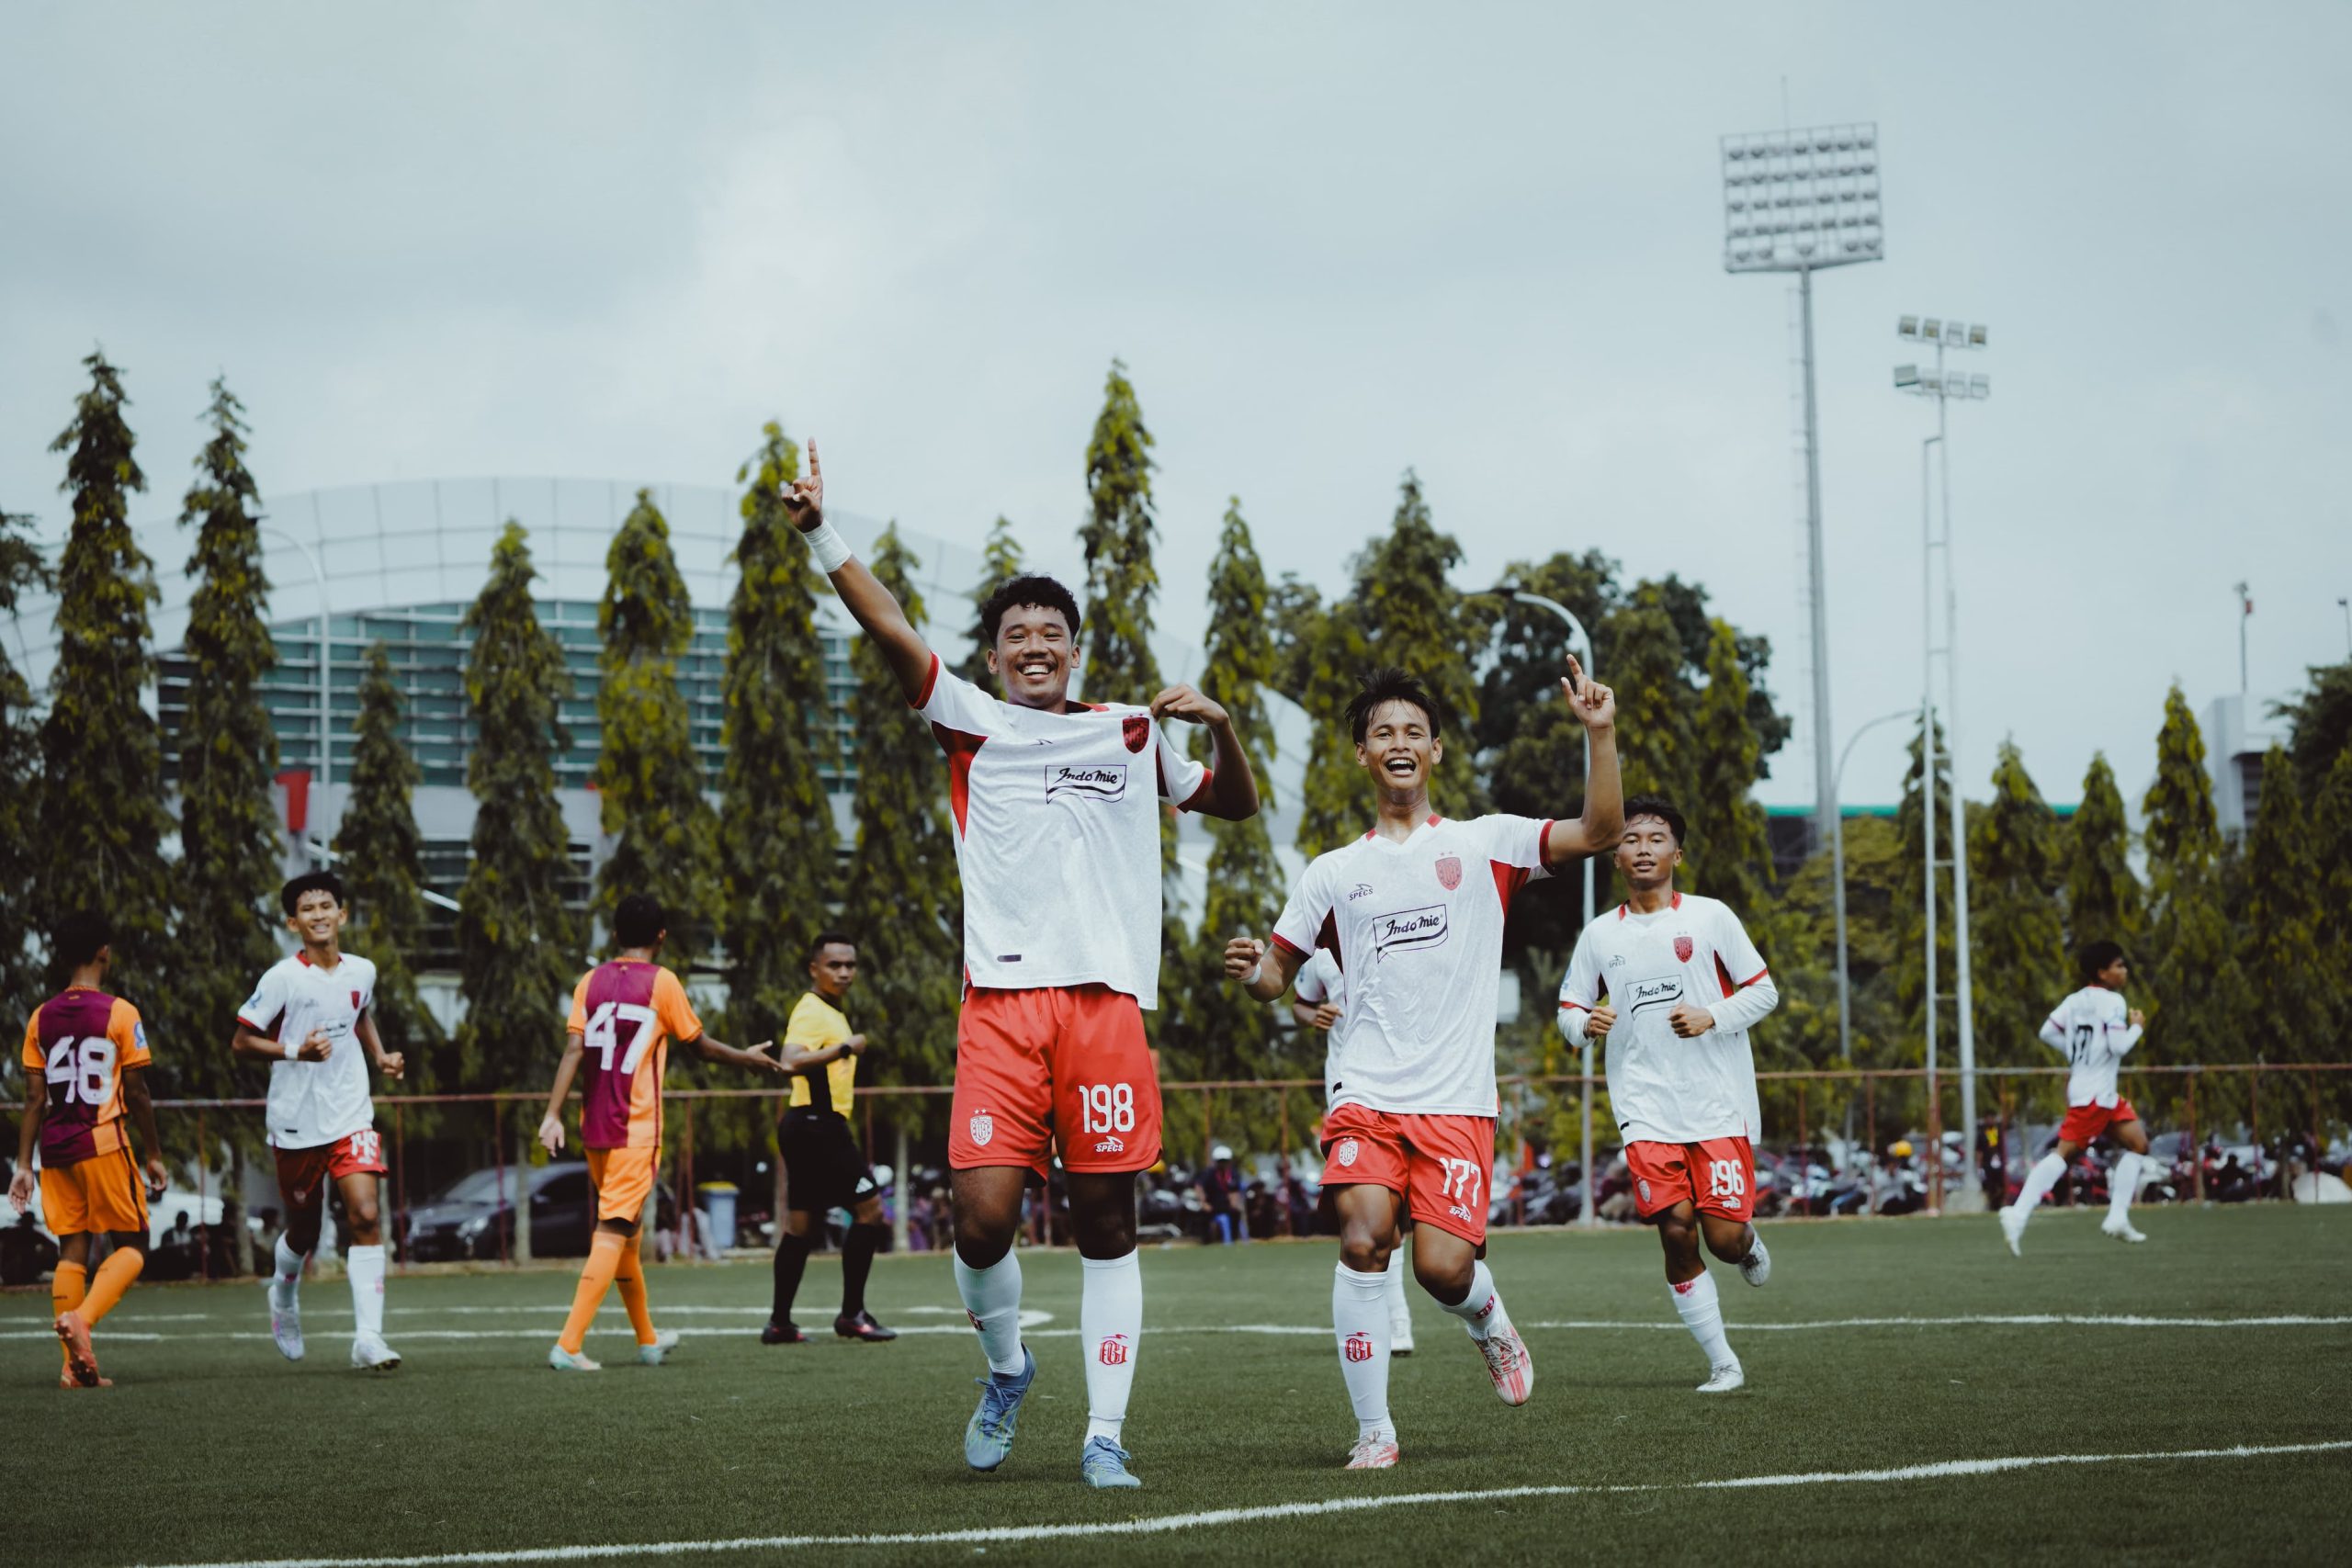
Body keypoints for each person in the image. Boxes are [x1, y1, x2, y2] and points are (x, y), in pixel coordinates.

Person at [780, 443, 1261, 1490]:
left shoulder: (1133, 732)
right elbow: (890, 626)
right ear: (993, 657)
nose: (1033, 646)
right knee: (983, 1218)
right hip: (1000, 1006)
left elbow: (1232, 804)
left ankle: (1105, 1436)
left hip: (1105, 1007)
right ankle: (1007, 1370)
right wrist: (821, 529)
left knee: (1104, 1223)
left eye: (1051, 633)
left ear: (1074, 651)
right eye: (1015, 635)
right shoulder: (970, 721)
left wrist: (1223, 730)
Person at [1227, 662, 1622, 1469]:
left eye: (1413, 731)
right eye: (1383, 733)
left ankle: (1486, 1317)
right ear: (1363, 754)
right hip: (1366, 1091)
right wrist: (1255, 974)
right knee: (1364, 1237)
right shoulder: (1332, 872)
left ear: (1435, 751)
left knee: (1444, 1269)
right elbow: (1277, 974)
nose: (1398, 743)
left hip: (1456, 1102)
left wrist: (1599, 732)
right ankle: (1374, 1431)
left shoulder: (1487, 843)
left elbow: (1601, 833)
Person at [1556, 795, 1781, 1393]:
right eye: (1630, 838)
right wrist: (1583, 1024)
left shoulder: (1711, 918)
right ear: (1615, 857)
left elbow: (1765, 992)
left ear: (1676, 853)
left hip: (1716, 1103)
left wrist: (1713, 1014)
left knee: (1724, 1239)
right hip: (1645, 1109)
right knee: (1676, 1230)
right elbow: (1569, 1006)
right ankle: (1724, 1362)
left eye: (1656, 838)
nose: (1643, 848)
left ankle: (1750, 1241)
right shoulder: (1600, 935)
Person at [538, 893, 786, 1371]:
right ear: (661, 937)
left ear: (614, 935)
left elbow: (573, 1051)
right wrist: (747, 1058)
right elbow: (701, 1047)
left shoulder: (589, 982)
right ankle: (568, 1345)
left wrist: (552, 1115)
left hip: (594, 1127)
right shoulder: (662, 983)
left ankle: (647, 1340)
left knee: (627, 1232)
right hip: (636, 1128)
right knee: (613, 1229)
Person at [233, 873, 405, 1371]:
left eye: (326, 905)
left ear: (342, 914)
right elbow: (241, 1041)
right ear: (294, 922)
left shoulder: (363, 970)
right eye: (307, 910)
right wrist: (295, 1051)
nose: (318, 915)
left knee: (366, 1215)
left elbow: (360, 1013)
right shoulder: (282, 978)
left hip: (351, 1111)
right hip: (295, 1121)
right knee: (304, 1231)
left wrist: (380, 1057)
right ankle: (283, 1298)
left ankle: (368, 1339)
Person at [9, 912, 167, 1388]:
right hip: (102, 1141)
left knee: (71, 1250)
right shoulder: (120, 1012)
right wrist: (154, 1153)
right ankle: (84, 1322)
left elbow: (35, 1100)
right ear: (105, 951)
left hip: (55, 1150)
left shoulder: (41, 1017)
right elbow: (137, 1093)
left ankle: (71, 1367)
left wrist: (23, 1165)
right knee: (134, 1246)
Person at [763, 931, 897, 1346]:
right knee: (871, 1210)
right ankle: (852, 1315)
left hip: (805, 1125)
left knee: (801, 1225)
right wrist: (844, 1048)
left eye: (849, 965)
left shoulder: (830, 1010)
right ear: (814, 969)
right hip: (818, 1125)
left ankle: (780, 1323)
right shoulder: (813, 1010)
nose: (843, 972)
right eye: (834, 965)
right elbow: (790, 1062)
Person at [1292, 950, 1413, 1355]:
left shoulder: (1396, 928)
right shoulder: (1319, 949)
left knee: (1395, 1216)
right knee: (1369, 1214)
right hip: (1349, 1094)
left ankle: (1394, 1316)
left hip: (1407, 1088)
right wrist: (1315, 1016)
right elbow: (1300, 1005)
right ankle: (1393, 1319)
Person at [2003, 941, 2154, 1252]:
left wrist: (2076, 1054)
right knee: (2064, 1155)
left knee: (2138, 1144)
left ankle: (2117, 1217)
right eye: (2119, 966)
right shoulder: (2113, 1002)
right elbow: (2119, 1047)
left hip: (2098, 1092)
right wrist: (2136, 1027)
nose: (2123, 971)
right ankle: (2017, 1214)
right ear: (2102, 972)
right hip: (2095, 1095)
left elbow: (2047, 1031)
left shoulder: (2074, 1000)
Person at [1194, 1146, 1247, 1244]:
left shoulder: (1233, 1174)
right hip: (1212, 1204)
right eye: (1220, 1161)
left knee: (1236, 1213)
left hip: (1227, 1205)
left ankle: (1233, 1239)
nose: (1223, 1164)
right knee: (1203, 1216)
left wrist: (1234, 1203)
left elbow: (1235, 1191)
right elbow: (1199, 1187)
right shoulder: (1209, 1173)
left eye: (1225, 1161)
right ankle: (1206, 1240)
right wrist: (1203, 1202)